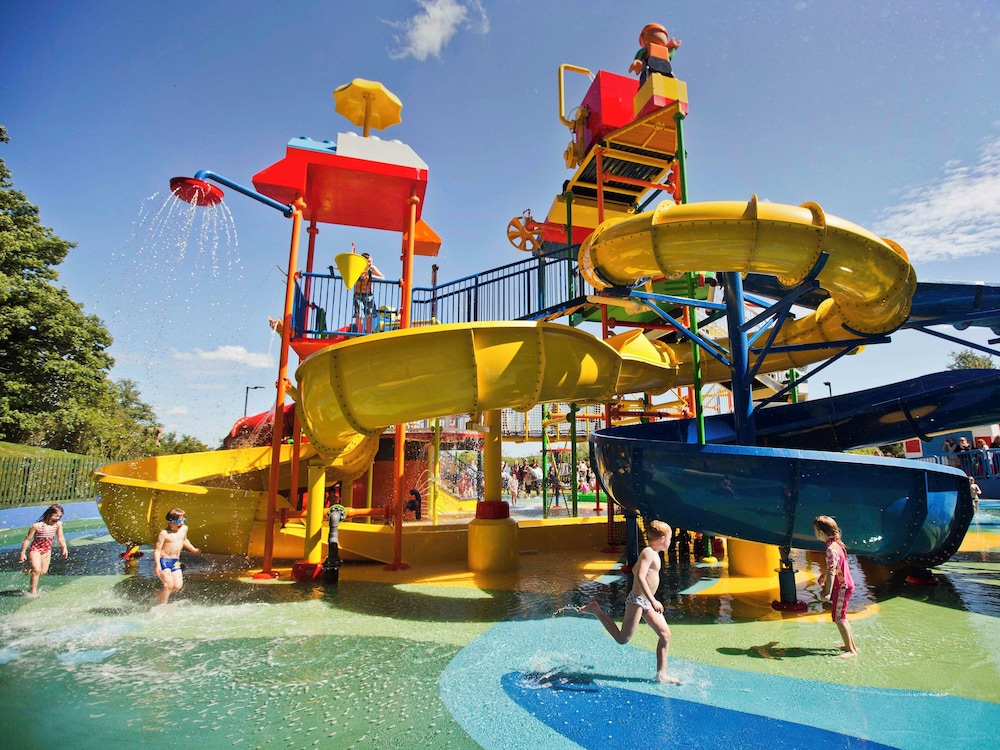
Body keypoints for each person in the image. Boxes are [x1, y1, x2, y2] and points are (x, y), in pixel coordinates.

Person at [576, 520, 681, 684]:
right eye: (669, 538)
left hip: (647, 602)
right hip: (638, 601)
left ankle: (661, 674)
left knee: (665, 635)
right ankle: (596, 610)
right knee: (622, 639)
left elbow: (634, 569)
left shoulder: (654, 553)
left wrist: (650, 599)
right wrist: (653, 600)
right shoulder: (648, 552)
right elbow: (639, 576)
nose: (670, 542)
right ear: (662, 538)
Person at [813, 515, 857, 658]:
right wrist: (823, 575)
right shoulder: (836, 544)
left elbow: (833, 572)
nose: (815, 534)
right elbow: (832, 567)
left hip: (842, 587)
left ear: (821, 532)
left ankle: (851, 651)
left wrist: (827, 592)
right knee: (841, 617)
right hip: (846, 585)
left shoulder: (830, 549)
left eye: (815, 531)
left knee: (839, 618)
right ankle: (850, 645)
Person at [153, 508, 200, 605]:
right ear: (169, 522)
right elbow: (157, 550)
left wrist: (193, 549)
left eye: (184, 520)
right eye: (178, 521)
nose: (181, 523)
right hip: (164, 561)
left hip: (175, 561)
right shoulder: (164, 534)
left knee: (177, 586)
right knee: (168, 585)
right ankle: (162, 606)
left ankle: (160, 594)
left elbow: (184, 540)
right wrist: (157, 565)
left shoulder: (184, 529)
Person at [18, 504, 68, 596]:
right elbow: (27, 540)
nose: (58, 518)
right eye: (56, 516)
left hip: (47, 550)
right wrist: (22, 553)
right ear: (49, 514)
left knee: (43, 571)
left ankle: (30, 564)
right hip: (35, 549)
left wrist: (64, 548)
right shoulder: (37, 526)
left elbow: (60, 537)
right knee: (37, 570)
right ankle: (33, 592)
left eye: (60, 516)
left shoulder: (58, 525)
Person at [352, 252, 384, 334]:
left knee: (369, 316)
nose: (370, 263)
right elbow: (352, 277)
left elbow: (382, 278)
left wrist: (371, 276)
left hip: (368, 295)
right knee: (358, 315)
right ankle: (359, 333)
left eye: (371, 261)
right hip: (358, 294)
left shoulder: (372, 268)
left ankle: (369, 334)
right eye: (369, 262)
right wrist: (361, 276)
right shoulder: (357, 268)